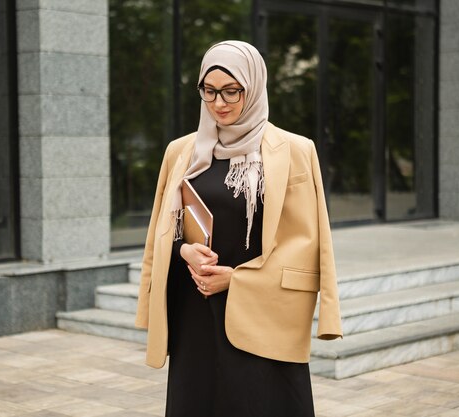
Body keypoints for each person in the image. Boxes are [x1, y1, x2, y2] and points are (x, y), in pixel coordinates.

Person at [135, 40, 342, 417]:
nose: (219, 103)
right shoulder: (181, 152)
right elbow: (163, 230)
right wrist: (183, 251)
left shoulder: (294, 150)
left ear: (254, 85)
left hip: (262, 310)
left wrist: (237, 281)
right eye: (209, 90)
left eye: (232, 90)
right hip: (194, 310)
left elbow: (307, 243)